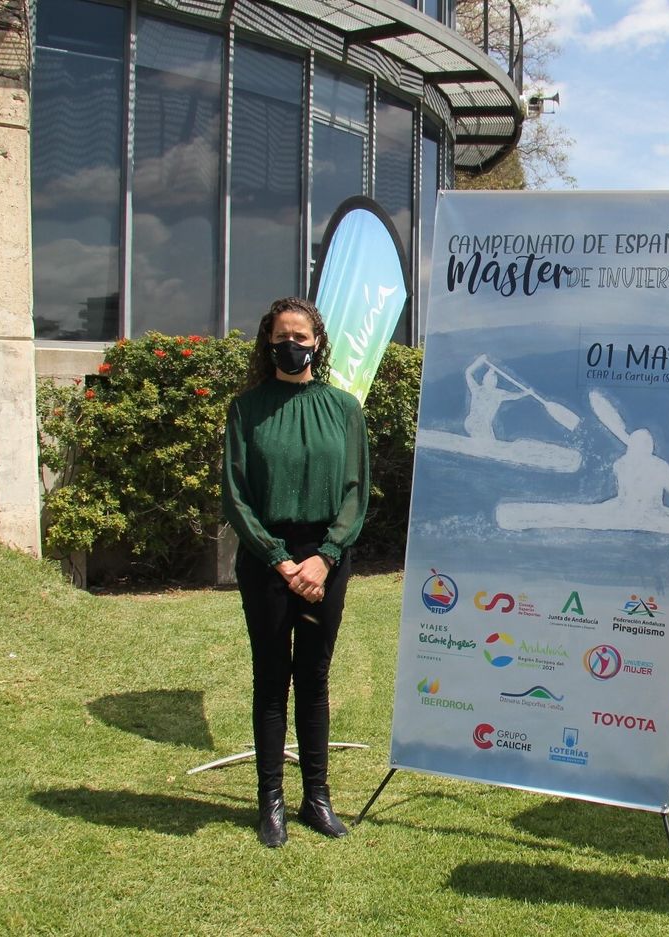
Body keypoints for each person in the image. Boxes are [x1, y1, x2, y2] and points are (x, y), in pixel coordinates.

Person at [222, 296, 369, 848]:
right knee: (270, 679)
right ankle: (271, 803)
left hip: (325, 558)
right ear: (268, 342)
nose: (292, 345)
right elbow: (236, 495)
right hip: (267, 559)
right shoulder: (246, 409)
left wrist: (325, 556)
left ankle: (317, 797)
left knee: (313, 678)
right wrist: (280, 559)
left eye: (301, 337)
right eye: (282, 336)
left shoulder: (344, 409)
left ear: (317, 343)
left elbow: (355, 491)